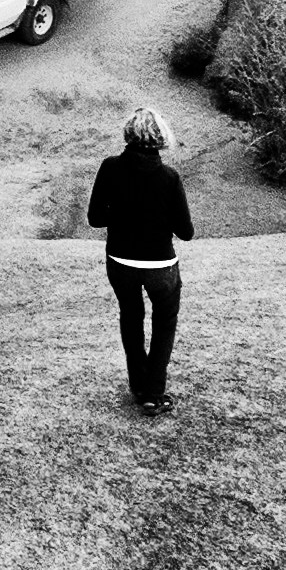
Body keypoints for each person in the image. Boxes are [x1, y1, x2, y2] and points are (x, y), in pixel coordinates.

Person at [86, 105, 193, 416]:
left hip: (120, 261)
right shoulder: (169, 178)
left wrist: (122, 215)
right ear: (160, 137)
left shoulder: (109, 167)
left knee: (131, 317)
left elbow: (95, 218)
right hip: (159, 265)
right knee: (164, 322)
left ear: (129, 134)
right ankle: (153, 393)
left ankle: (138, 385)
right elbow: (186, 232)